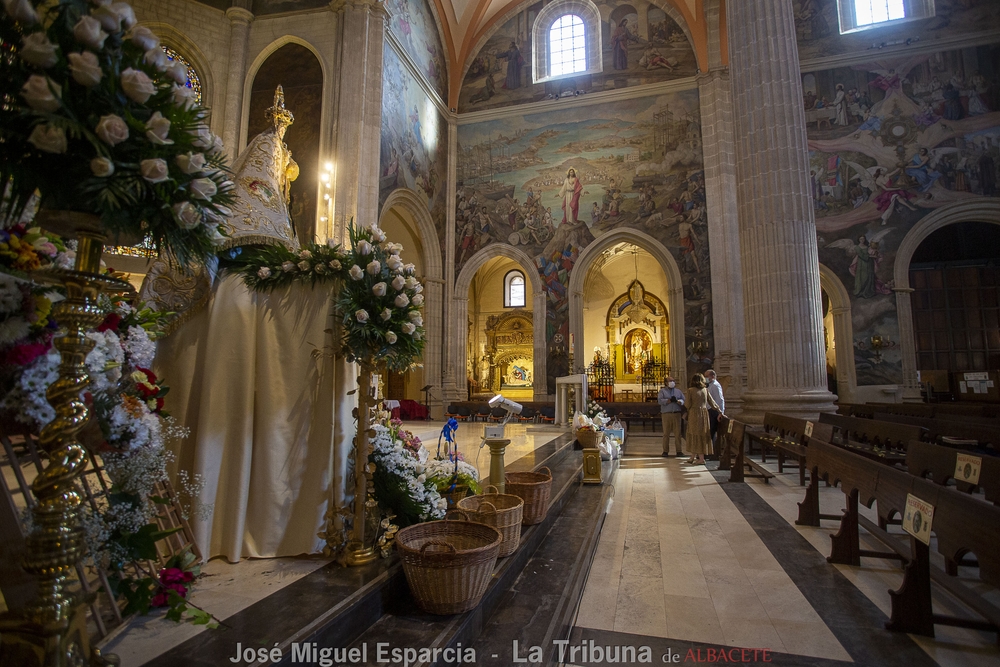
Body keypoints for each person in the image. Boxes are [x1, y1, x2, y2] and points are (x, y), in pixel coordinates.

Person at [684, 374, 720, 465]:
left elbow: (687, 404)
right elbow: (713, 403)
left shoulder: (690, 390)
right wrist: (720, 411)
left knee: (694, 434)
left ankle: (701, 459)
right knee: (701, 434)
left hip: (694, 414)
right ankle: (693, 457)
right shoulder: (705, 390)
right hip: (704, 414)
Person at [657, 376, 685, 457]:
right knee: (666, 433)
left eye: (673, 381)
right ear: (666, 383)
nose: (672, 382)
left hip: (676, 413)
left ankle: (679, 451)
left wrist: (678, 401)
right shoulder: (662, 391)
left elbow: (683, 399)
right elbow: (659, 400)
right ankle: (665, 451)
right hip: (667, 414)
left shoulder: (678, 391)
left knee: (678, 433)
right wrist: (668, 401)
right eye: (670, 381)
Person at [705, 369, 725, 448]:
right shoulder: (710, 385)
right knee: (709, 432)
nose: (705, 378)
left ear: (712, 376)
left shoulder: (715, 385)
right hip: (709, 410)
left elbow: (720, 399)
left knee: (711, 432)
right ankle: (709, 451)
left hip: (714, 412)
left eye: (707, 376)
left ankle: (711, 452)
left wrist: (721, 412)